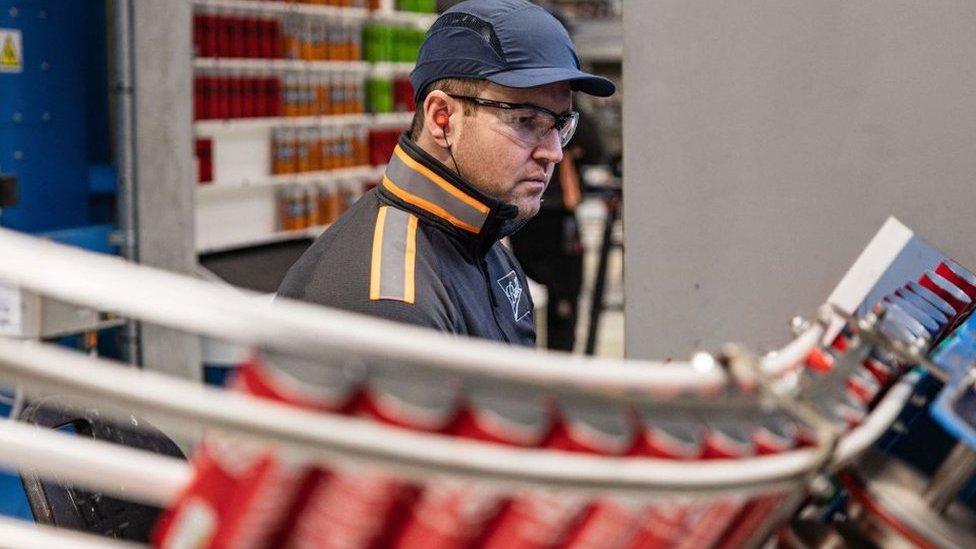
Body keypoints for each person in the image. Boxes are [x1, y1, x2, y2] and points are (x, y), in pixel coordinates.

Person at [277, 0, 615, 347]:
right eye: (525, 121)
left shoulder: (483, 243)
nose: (554, 152)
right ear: (443, 119)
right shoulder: (391, 304)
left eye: (560, 124)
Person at [509, 107, 604, 351]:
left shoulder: (562, 114)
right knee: (546, 302)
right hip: (544, 215)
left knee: (558, 303)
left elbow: (595, 149)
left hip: (548, 215)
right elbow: (595, 148)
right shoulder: (539, 109)